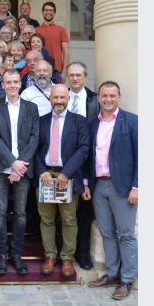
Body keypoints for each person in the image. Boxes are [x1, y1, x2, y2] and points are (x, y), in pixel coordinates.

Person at [86, 81, 138, 300]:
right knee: (107, 232)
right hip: (99, 186)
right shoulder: (94, 124)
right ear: (99, 98)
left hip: (123, 187)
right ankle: (112, 273)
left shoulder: (132, 121)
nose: (108, 99)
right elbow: (90, 156)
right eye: (104, 96)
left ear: (119, 97)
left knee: (125, 234)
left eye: (112, 95)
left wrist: (136, 186)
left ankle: (127, 280)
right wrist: (87, 183)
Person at [0, 69, 40, 275]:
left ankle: (16, 255)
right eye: (8, 82)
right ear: (2, 85)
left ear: (20, 84)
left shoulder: (31, 108)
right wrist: (11, 162)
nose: (12, 85)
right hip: (0, 167)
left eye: (15, 82)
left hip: (23, 168)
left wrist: (19, 165)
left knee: (20, 213)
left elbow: (35, 138)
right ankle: (1, 255)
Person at [33, 84, 89, 278]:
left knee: (69, 219)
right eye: (55, 97)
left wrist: (66, 173)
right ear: (50, 99)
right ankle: (50, 255)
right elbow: (33, 148)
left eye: (62, 98)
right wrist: (41, 171)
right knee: (46, 219)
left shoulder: (79, 122)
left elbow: (83, 149)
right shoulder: (40, 121)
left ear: (68, 99)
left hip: (68, 178)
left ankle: (67, 258)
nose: (59, 101)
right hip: (46, 178)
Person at [64, 61, 100, 270]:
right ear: (67, 77)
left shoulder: (95, 100)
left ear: (85, 77)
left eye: (79, 75)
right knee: (63, 212)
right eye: (72, 75)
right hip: (62, 164)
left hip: (87, 163)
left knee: (85, 211)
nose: (75, 78)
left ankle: (83, 253)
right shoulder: (60, 96)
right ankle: (64, 253)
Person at [35, 1, 70, 73]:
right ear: (42, 12)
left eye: (51, 10)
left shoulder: (61, 30)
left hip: (57, 69)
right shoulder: (36, 30)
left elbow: (66, 53)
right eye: (46, 10)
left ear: (54, 13)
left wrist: (64, 71)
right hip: (40, 69)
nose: (49, 12)